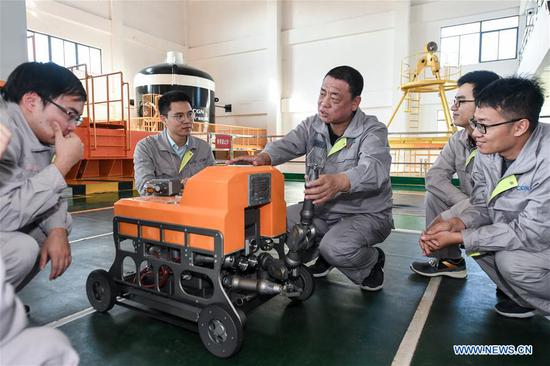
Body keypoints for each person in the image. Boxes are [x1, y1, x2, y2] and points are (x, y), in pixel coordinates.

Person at [230, 66, 393, 291]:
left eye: (334, 97)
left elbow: (375, 170)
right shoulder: (312, 125)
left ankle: (371, 262)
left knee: (336, 248)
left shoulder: (373, 130)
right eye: (322, 93)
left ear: (355, 103)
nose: (324, 102)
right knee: (275, 219)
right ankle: (322, 253)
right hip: (323, 211)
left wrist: (341, 181)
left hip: (366, 214)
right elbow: (287, 144)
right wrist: (263, 157)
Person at [420, 76, 550, 320]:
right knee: (483, 247)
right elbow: (482, 204)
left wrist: (460, 236)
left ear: (520, 126)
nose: (476, 133)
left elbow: (531, 232)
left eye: (484, 125)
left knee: (514, 263)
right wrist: (456, 223)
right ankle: (520, 297)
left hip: (540, 238)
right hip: (535, 238)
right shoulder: (488, 150)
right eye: (475, 124)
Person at [0, 62, 85, 291]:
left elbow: (48, 196)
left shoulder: (38, 133)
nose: (73, 126)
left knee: (54, 227)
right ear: (32, 102)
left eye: (77, 118)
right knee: (22, 248)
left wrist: (57, 229)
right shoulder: (4, 130)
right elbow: (5, 217)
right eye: (69, 114)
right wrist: (62, 166)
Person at [411, 71, 500, 278]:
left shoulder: (503, 142)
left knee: (512, 259)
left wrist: (462, 214)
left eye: (460, 102)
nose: (453, 107)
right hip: (476, 206)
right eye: (454, 101)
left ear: (483, 103)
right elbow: (434, 177)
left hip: (501, 215)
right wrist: (466, 206)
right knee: (435, 195)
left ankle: (514, 286)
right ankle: (450, 261)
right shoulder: (458, 140)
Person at [134, 90, 215, 195]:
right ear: (164, 119)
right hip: (162, 210)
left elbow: (215, 182)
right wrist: (179, 186)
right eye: (179, 116)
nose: (187, 120)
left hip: (196, 209)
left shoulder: (203, 148)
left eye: (190, 114)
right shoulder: (146, 147)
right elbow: (145, 187)